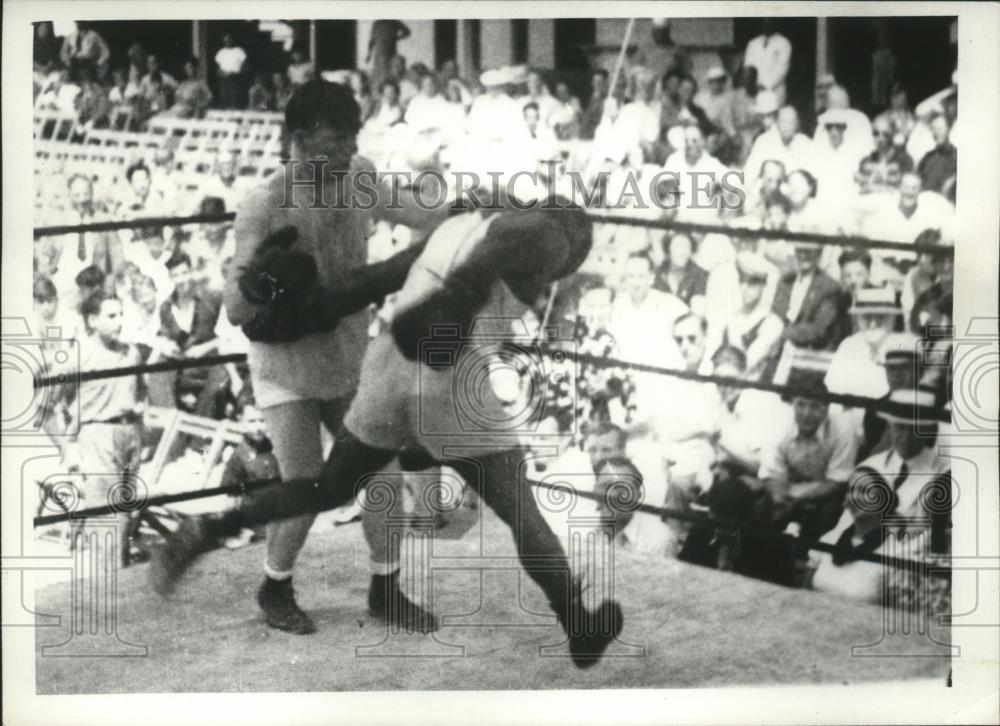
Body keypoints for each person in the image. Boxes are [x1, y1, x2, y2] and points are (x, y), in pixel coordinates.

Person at [152, 198, 625, 668]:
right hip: (448, 371)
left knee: (328, 487)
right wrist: (456, 298)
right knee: (524, 514)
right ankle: (581, 629)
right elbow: (529, 234)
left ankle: (213, 526)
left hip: (390, 365)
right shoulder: (543, 234)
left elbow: (369, 281)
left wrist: (304, 307)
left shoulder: (457, 227)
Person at [152, 80, 448, 636]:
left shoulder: (359, 176)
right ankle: (275, 585)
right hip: (286, 365)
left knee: (381, 480)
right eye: (325, 149)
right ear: (294, 142)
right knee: (305, 486)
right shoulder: (264, 204)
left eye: (346, 145)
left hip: (347, 358)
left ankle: (386, 589)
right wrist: (263, 284)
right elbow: (236, 308)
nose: (338, 159)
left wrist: (475, 208)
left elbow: (417, 213)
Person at [813, 387, 951, 604]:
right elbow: (850, 520)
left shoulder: (944, 476)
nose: (904, 437)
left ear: (926, 428)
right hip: (856, 552)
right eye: (898, 427)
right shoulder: (871, 465)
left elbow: (933, 541)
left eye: (913, 429)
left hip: (901, 569)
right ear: (889, 425)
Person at [57, 291, 145, 567]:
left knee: (125, 515)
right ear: (93, 319)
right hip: (97, 436)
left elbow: (140, 391)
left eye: (121, 314)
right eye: (111, 315)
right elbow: (49, 403)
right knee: (106, 519)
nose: (119, 321)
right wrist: (66, 446)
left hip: (129, 435)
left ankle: (122, 585)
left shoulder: (132, 352)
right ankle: (109, 591)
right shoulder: (79, 355)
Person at [219, 402, 279, 549]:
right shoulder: (239, 455)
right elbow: (232, 496)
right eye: (251, 421)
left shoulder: (277, 449)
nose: (258, 427)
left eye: (262, 420)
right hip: (254, 517)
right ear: (241, 422)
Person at [771, 241, 848, 354]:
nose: (803, 256)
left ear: (818, 254)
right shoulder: (786, 281)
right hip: (778, 347)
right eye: (799, 251)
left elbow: (818, 328)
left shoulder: (829, 287)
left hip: (808, 351)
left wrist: (784, 334)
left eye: (808, 252)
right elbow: (776, 313)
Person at [719, 252, 784, 381]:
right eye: (742, 281)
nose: (744, 288)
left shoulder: (772, 323)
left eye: (752, 283)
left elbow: (745, 364)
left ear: (764, 285)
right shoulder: (732, 316)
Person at [743, 105, 815, 185]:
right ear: (777, 123)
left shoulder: (806, 143)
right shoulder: (764, 141)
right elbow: (750, 173)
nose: (787, 127)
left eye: (791, 122)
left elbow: (813, 175)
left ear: (797, 124)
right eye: (783, 122)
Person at [654, 232, 708, 310]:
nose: (681, 252)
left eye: (686, 247)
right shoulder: (658, 274)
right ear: (668, 249)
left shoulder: (700, 276)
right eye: (677, 247)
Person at [743, 20, 791, 106]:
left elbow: (782, 68)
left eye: (770, 19)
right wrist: (751, 85)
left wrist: (765, 85)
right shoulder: (753, 43)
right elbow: (748, 65)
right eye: (764, 20)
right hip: (754, 90)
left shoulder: (784, 43)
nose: (767, 23)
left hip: (774, 90)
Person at [916, 113, 957, 200]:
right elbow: (916, 180)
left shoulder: (956, 157)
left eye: (940, 129)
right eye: (934, 129)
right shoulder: (927, 157)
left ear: (949, 129)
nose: (936, 133)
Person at [367, 20, 410, 92]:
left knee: (391, 77)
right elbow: (372, 40)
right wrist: (369, 54)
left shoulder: (394, 22)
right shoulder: (376, 23)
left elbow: (407, 32)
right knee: (377, 77)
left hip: (390, 55)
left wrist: (395, 38)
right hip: (378, 55)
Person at [215, 34, 247, 110]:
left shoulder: (239, 51)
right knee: (224, 98)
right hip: (224, 78)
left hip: (235, 78)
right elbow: (217, 67)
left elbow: (245, 66)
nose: (227, 42)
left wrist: (235, 73)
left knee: (234, 100)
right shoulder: (221, 52)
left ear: (233, 40)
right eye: (226, 40)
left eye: (229, 40)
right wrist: (219, 72)